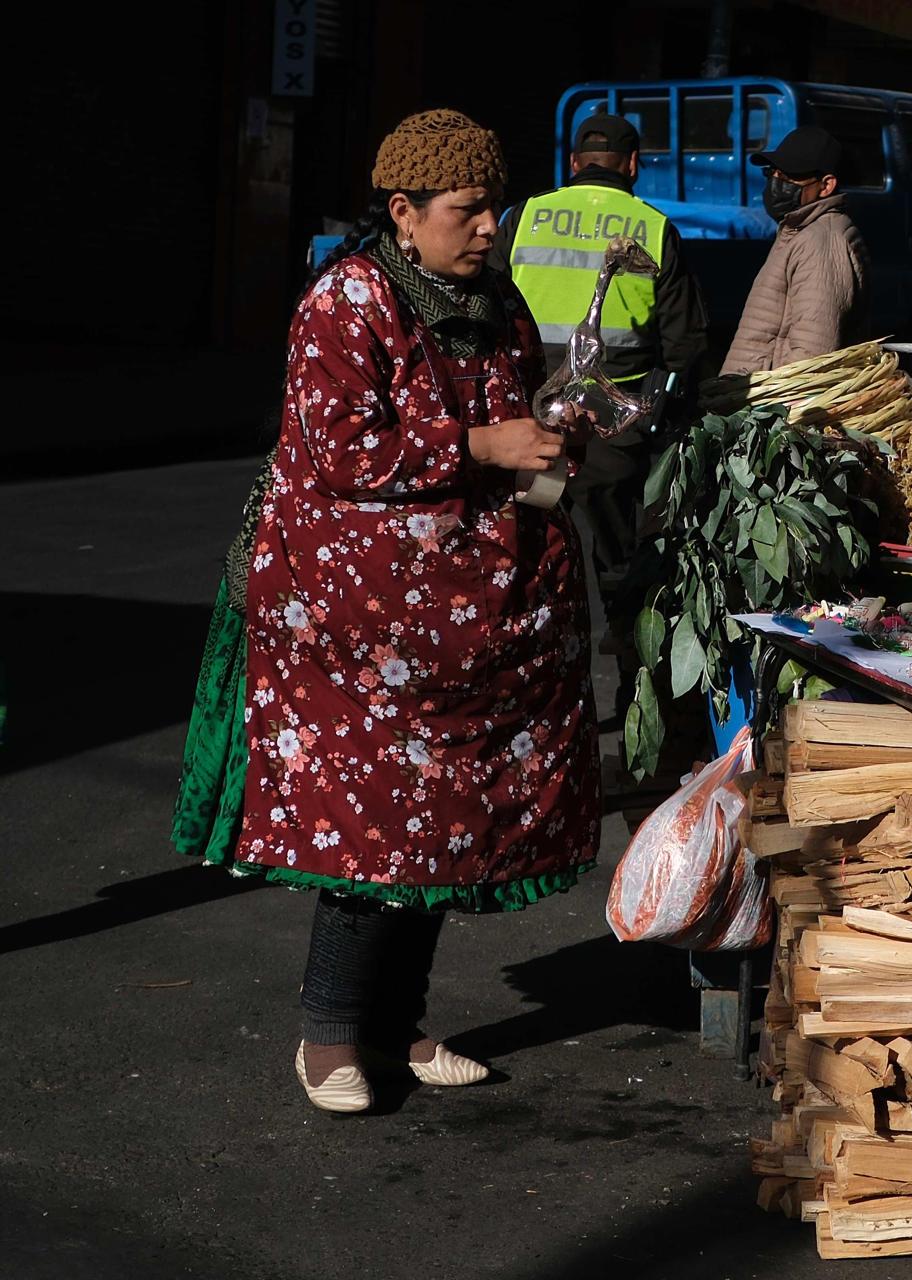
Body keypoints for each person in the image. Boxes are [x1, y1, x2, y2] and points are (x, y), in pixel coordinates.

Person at [180, 109, 601, 1115]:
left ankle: (397, 1023)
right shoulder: (346, 302)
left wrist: (547, 434)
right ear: (404, 214)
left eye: (496, 204)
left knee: (445, 824)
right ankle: (329, 1033)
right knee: (376, 830)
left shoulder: (497, 300)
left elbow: (513, 409)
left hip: (474, 620)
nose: (492, 225)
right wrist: (487, 446)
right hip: (357, 623)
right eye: (470, 208)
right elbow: (343, 452)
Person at [491, 111, 707, 589]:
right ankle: (625, 644)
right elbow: (684, 342)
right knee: (620, 564)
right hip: (612, 423)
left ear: (573, 163)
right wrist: (662, 413)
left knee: (524, 546)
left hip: (527, 414)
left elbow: (486, 307)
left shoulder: (523, 216)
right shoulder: (653, 226)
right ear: (632, 165)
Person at [721, 125, 870, 374]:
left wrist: (780, 408)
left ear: (826, 186)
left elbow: (813, 347)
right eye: (774, 173)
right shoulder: (799, 231)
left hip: (776, 403)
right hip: (757, 398)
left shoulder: (820, 241)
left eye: (790, 176)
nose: (778, 183)